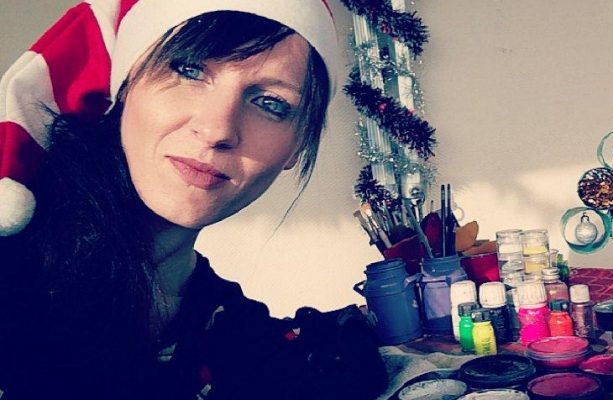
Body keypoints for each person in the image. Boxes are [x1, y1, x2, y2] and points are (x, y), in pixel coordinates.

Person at [0, 1, 387, 399]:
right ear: (126, 85)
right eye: (189, 70)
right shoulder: (14, 269)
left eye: (270, 103)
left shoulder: (231, 331)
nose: (218, 129)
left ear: (298, 145)